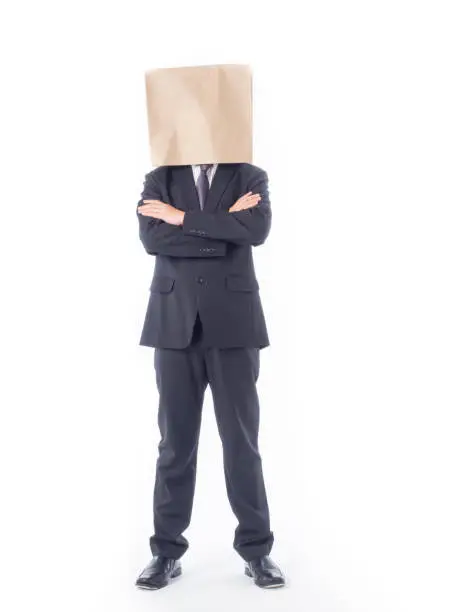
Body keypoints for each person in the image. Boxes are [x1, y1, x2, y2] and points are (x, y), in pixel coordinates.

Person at [135, 162, 285, 590]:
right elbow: (151, 238)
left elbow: (254, 232)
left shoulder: (250, 176)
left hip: (235, 326)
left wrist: (181, 218)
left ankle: (257, 552)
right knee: (174, 444)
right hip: (173, 324)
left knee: (242, 442)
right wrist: (224, 225)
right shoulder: (159, 177)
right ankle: (165, 552)